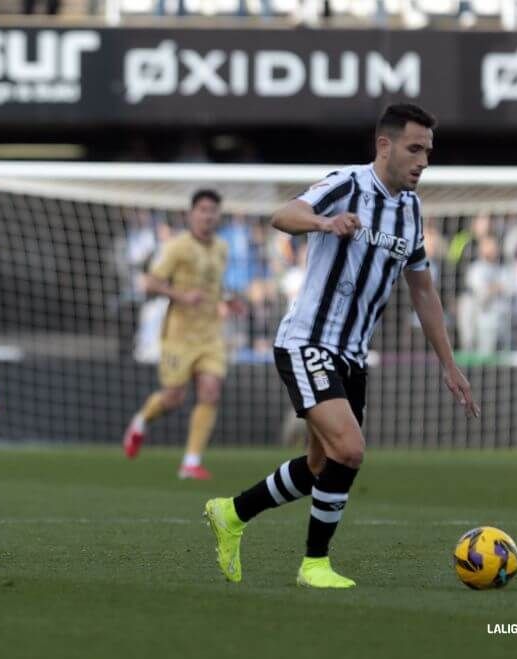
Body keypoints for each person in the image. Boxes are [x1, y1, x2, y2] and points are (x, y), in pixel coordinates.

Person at [203, 104, 479, 589]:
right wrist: (324, 223)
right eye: (415, 149)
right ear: (385, 146)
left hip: (352, 355)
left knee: (319, 465)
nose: (423, 161)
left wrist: (448, 362)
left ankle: (232, 513)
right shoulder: (347, 184)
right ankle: (315, 564)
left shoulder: (410, 210)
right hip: (308, 340)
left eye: (428, 152)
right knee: (349, 450)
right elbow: (283, 215)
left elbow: (422, 289)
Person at [122, 190, 245, 480]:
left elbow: (215, 284)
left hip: (210, 335)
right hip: (178, 335)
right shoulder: (177, 247)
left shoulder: (221, 248)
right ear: (192, 214)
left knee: (211, 392)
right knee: (174, 397)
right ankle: (141, 420)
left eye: (213, 210)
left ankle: (191, 462)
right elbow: (150, 283)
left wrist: (229, 300)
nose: (208, 216)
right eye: (202, 210)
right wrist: (181, 295)